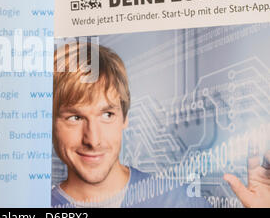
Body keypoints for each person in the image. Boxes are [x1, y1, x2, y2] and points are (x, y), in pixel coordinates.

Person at [51, 41, 270, 208]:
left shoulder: (181, 201)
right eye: (75, 118)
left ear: (125, 117)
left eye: (107, 114)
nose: (93, 139)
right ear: (50, 123)